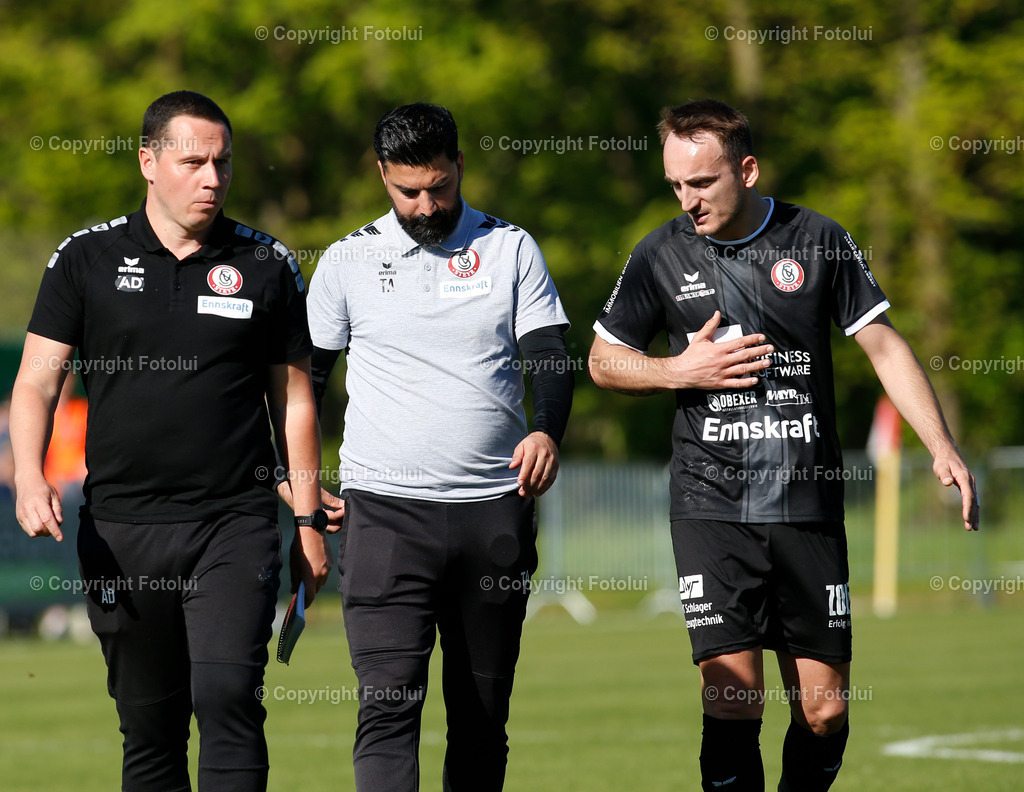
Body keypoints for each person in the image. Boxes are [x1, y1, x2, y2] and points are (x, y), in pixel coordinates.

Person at [588, 99, 979, 792]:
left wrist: (940, 445)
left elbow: (883, 346)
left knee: (824, 711)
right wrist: (681, 370)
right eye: (676, 184)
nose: (688, 200)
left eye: (702, 183)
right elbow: (602, 360)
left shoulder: (818, 239)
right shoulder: (660, 251)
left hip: (807, 504)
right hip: (710, 505)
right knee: (732, 697)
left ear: (747, 168)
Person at [11, 90, 332, 792]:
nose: (212, 177)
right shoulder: (86, 259)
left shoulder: (267, 263)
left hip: (234, 524)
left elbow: (296, 400)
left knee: (227, 699)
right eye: (194, 161)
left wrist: (306, 521)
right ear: (148, 163)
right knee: (150, 731)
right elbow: (36, 383)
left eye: (222, 163)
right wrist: (30, 477)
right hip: (122, 530)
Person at [304, 102, 573, 791]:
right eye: (408, 192)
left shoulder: (512, 248)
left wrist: (547, 428)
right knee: (387, 707)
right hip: (384, 518)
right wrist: (294, 484)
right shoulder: (345, 261)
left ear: (460, 165)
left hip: (493, 513)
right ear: (382, 177)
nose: (426, 206)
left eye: (439, 188)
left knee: (482, 716)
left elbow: (548, 354)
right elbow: (301, 385)